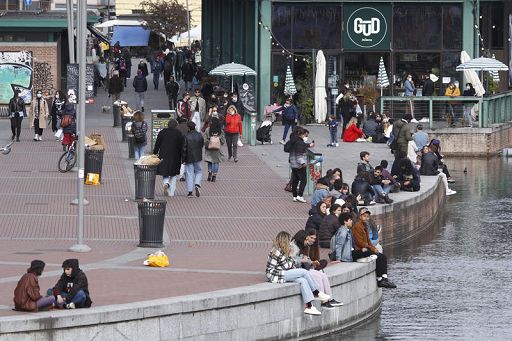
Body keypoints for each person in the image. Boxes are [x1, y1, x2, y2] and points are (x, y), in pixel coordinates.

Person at [265, 231, 331, 316]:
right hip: (275, 275)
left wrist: (290, 258)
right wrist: (291, 256)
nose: (290, 243)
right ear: (284, 241)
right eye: (288, 241)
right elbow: (287, 265)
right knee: (304, 272)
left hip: (282, 273)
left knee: (303, 280)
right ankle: (316, 292)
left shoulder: (282, 250)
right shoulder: (277, 251)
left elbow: (288, 265)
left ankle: (309, 306)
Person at [290, 230, 343, 309]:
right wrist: (302, 260)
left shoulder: (302, 246)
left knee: (323, 275)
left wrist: (311, 262)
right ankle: (323, 301)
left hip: (304, 268)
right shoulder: (294, 247)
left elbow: (303, 259)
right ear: (301, 239)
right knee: (318, 277)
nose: (308, 242)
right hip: (300, 270)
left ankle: (330, 298)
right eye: (307, 239)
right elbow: (290, 260)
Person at [351, 208, 397, 288]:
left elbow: (368, 241)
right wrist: (372, 249)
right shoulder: (357, 226)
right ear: (360, 217)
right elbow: (360, 243)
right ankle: (379, 279)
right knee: (377, 256)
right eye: (364, 216)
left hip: (366, 248)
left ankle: (384, 278)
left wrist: (374, 248)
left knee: (382, 256)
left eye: (367, 217)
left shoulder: (365, 226)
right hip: (360, 250)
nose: (366, 218)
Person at [153, 119, 184, 197]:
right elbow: (182, 146)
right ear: (176, 125)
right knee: (173, 174)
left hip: (163, 154)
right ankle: (171, 193)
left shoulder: (162, 132)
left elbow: (157, 144)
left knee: (165, 171)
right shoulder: (179, 133)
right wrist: (183, 156)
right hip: (175, 155)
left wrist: (155, 153)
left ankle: (166, 183)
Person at [286, 127, 315, 203]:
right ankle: (300, 195)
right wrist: (303, 163)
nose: (305, 137)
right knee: (303, 180)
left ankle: (295, 196)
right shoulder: (299, 142)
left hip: (293, 163)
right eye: (304, 135)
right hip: (299, 165)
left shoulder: (293, 140)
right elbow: (299, 155)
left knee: (295, 180)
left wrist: (308, 145)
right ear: (300, 134)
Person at [183, 121, 204, 197]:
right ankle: (197, 184)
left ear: (188, 127)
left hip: (189, 157)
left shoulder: (186, 136)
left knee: (189, 173)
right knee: (198, 171)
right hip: (197, 156)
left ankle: (190, 192)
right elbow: (202, 144)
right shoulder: (199, 135)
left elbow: (184, 148)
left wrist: (183, 159)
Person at [204, 117, 225, 182]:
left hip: (209, 149)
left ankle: (210, 173)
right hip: (217, 149)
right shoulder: (220, 131)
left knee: (210, 161)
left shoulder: (208, 130)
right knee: (216, 162)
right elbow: (223, 141)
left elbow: (205, 140)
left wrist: (209, 143)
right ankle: (214, 176)